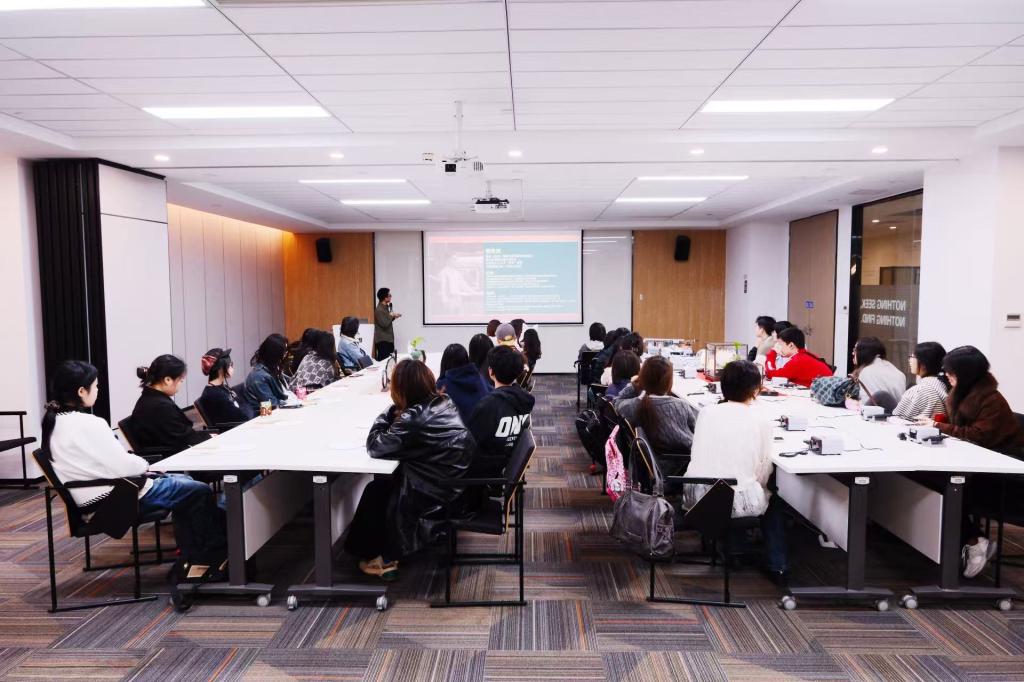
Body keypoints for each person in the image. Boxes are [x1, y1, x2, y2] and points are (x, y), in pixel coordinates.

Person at [43, 360, 227, 581]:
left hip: (96, 498)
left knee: (186, 486)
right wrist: (144, 466)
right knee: (198, 491)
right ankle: (206, 559)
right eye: (96, 386)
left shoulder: (54, 423)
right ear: (82, 391)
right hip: (118, 498)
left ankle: (196, 558)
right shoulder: (89, 423)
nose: (98, 390)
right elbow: (123, 465)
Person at [343, 360, 472, 580]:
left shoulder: (413, 418)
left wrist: (388, 411)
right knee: (380, 487)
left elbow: (375, 446)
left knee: (377, 490)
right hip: (456, 486)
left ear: (401, 389)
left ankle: (384, 558)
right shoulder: (444, 401)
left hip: (435, 496)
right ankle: (380, 550)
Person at [914, 346, 1024, 578]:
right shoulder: (963, 393)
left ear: (966, 374)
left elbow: (977, 436)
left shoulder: (991, 400)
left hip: (1005, 473)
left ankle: (973, 540)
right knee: (927, 477)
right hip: (979, 462)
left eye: (951, 372)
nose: (947, 376)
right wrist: (938, 424)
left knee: (950, 485)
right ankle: (966, 539)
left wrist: (938, 426)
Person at [682, 360, 788, 576]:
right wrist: (761, 488)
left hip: (698, 496)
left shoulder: (706, 412)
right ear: (756, 390)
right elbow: (763, 469)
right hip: (733, 501)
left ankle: (737, 546)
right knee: (774, 496)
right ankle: (777, 565)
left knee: (740, 482)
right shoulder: (761, 420)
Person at [615, 356, 699, 473]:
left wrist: (635, 385)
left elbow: (617, 402)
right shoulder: (681, 405)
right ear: (669, 381)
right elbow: (696, 438)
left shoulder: (634, 406)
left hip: (648, 469)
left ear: (642, 378)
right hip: (679, 470)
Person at [466, 345, 536, 477]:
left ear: (491, 372)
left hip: (485, 473)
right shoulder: (525, 400)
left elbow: (469, 444)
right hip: (509, 463)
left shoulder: (487, 405)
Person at [132, 355, 211, 453]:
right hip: (170, 457)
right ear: (168, 380)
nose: (181, 384)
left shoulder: (150, 398)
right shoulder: (161, 407)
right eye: (181, 380)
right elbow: (185, 438)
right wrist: (209, 437)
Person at [847, 337, 906, 412]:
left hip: (877, 416)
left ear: (864, 352)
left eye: (855, 350)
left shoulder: (866, 372)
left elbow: (866, 406)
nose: (853, 353)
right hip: (896, 415)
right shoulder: (898, 372)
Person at [893, 342, 949, 420]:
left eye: (912, 357)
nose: (909, 360)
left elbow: (897, 418)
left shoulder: (919, 391)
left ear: (924, 363)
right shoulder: (943, 384)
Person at [436, 343, 492, 422]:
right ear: (466, 359)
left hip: (458, 429)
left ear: (444, 362)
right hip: (486, 425)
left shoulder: (442, 386)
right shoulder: (479, 377)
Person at [764, 327, 833, 387]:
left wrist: (772, 352)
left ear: (791, 345)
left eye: (780, 345)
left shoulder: (798, 360)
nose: (778, 348)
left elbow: (770, 374)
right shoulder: (805, 355)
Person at [199, 348, 252, 426]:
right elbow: (243, 417)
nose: (232, 368)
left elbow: (243, 407)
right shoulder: (215, 395)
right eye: (230, 365)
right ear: (221, 369)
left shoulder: (222, 387)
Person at [243, 333, 292, 412]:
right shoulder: (258, 377)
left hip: (276, 411)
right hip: (264, 415)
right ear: (274, 354)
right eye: (283, 352)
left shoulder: (272, 368)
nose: (285, 355)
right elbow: (270, 406)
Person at [373, 287, 401, 361]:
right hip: (383, 340)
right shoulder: (379, 310)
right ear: (384, 297)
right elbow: (384, 324)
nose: (391, 296)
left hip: (388, 339)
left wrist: (394, 317)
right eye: (389, 295)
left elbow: (387, 320)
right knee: (384, 361)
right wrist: (391, 316)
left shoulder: (386, 307)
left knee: (390, 360)